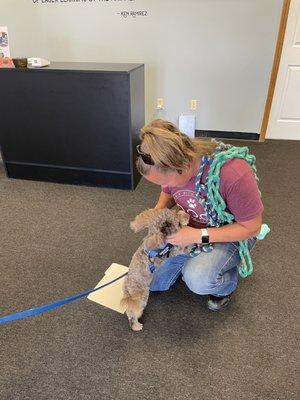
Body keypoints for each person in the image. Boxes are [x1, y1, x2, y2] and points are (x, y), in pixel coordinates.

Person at [135, 119, 264, 311]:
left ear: (181, 165)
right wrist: (158, 212)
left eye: (168, 181)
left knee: (198, 280)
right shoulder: (169, 165)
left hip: (231, 233)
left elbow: (252, 227)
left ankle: (225, 284)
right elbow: (168, 191)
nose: (168, 186)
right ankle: (191, 257)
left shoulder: (233, 172)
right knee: (149, 280)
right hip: (190, 229)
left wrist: (197, 236)